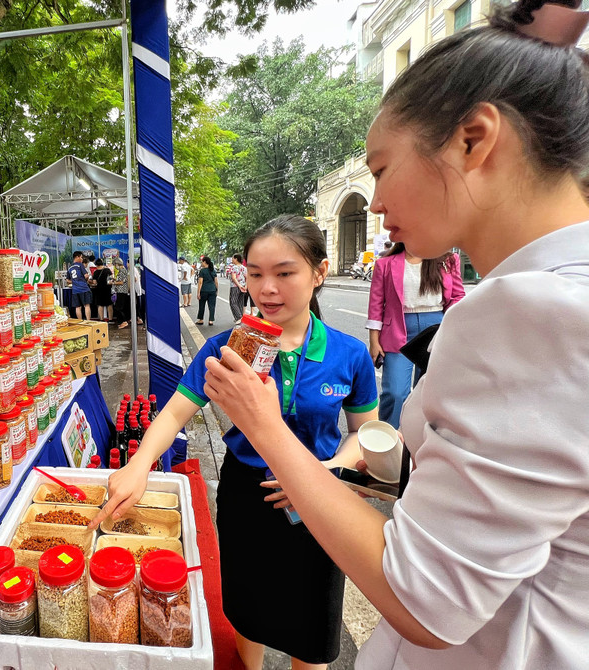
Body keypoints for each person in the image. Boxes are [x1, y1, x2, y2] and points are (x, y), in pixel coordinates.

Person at [199, 2, 589, 667]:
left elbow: (428, 600)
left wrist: (266, 428)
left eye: (381, 169)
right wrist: (345, 466)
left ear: (474, 138)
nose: (374, 202)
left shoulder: (536, 311)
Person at [92, 216, 378, 670]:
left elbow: (366, 434)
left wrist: (325, 473)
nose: (267, 288)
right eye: (255, 273)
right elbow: (174, 413)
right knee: (248, 611)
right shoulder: (225, 349)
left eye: (285, 273)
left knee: (313, 628)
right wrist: (140, 464)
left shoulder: (349, 353)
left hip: (321, 500)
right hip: (246, 495)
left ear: (319, 273)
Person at [366, 243, 465, 427]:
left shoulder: (447, 260)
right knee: (395, 393)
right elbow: (376, 304)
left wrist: (450, 324)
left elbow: (458, 295)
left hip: (436, 329)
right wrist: (374, 340)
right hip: (397, 330)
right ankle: (389, 442)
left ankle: (421, 441)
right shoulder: (385, 264)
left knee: (429, 393)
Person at [66, 250, 92, 320]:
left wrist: (74, 281)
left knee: (78, 307)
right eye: (81, 257)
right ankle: (88, 321)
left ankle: (80, 322)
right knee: (86, 305)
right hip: (84, 288)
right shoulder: (80, 265)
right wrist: (85, 280)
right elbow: (86, 276)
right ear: (77, 257)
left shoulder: (70, 268)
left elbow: (67, 280)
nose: (82, 259)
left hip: (75, 290)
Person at [195, 256, 218, 326]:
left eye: (202, 262)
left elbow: (200, 282)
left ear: (205, 262)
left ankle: (201, 319)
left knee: (202, 305)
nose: (201, 263)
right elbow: (216, 282)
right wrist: (216, 290)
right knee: (212, 306)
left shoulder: (202, 271)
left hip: (204, 290)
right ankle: (211, 320)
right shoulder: (213, 271)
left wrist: (198, 292)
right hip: (212, 290)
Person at [228, 253, 249, 323]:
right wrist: (245, 286)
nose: (232, 260)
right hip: (243, 287)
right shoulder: (244, 268)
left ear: (236, 259)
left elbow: (234, 278)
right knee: (240, 302)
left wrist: (239, 285)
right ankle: (241, 317)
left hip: (235, 287)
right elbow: (247, 278)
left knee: (233, 302)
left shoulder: (234, 267)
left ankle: (239, 317)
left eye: (233, 258)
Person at [112, 257, 131, 328]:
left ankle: (123, 321)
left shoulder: (122, 270)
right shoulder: (123, 270)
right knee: (121, 307)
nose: (115, 266)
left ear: (117, 264)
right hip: (123, 291)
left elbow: (121, 282)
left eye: (115, 264)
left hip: (121, 291)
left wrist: (113, 282)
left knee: (118, 308)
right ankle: (123, 321)